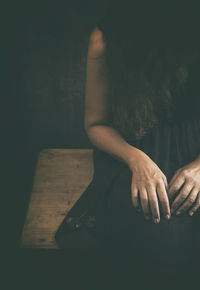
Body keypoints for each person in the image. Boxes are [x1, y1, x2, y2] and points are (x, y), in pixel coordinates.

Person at [55, 1, 200, 283]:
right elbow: (95, 124)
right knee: (162, 242)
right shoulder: (106, 37)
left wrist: (199, 167)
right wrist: (137, 161)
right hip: (133, 143)